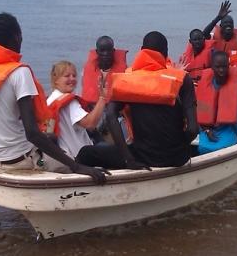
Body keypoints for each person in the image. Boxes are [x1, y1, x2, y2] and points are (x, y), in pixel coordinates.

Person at [0, 12, 107, 183]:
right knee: (74, 161)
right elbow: (32, 134)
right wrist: (78, 167)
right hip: (20, 159)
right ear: (17, 37)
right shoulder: (19, 72)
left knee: (52, 138)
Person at [77, 31, 199, 169]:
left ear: (142, 51)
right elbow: (193, 129)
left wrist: (128, 158)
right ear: (165, 53)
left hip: (141, 156)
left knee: (85, 153)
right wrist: (178, 147)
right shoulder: (182, 79)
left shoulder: (129, 78)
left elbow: (111, 115)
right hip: (176, 158)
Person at [45, 61, 108, 168]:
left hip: (63, 155)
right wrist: (102, 98)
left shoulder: (49, 101)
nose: (72, 79)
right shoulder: (70, 102)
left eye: (74, 75)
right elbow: (90, 124)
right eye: (67, 76)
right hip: (80, 157)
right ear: (56, 80)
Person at [196, 51, 237, 154]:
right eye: (218, 67)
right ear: (212, 67)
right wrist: (207, 130)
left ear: (228, 66)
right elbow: (201, 112)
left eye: (224, 67)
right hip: (208, 128)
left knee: (223, 148)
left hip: (230, 127)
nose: (221, 70)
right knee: (203, 148)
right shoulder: (205, 85)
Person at [80, 35, 127, 108]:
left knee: (112, 108)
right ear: (97, 52)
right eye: (102, 50)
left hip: (115, 108)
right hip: (93, 106)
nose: (106, 53)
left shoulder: (125, 71)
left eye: (109, 50)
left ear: (113, 51)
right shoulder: (86, 70)